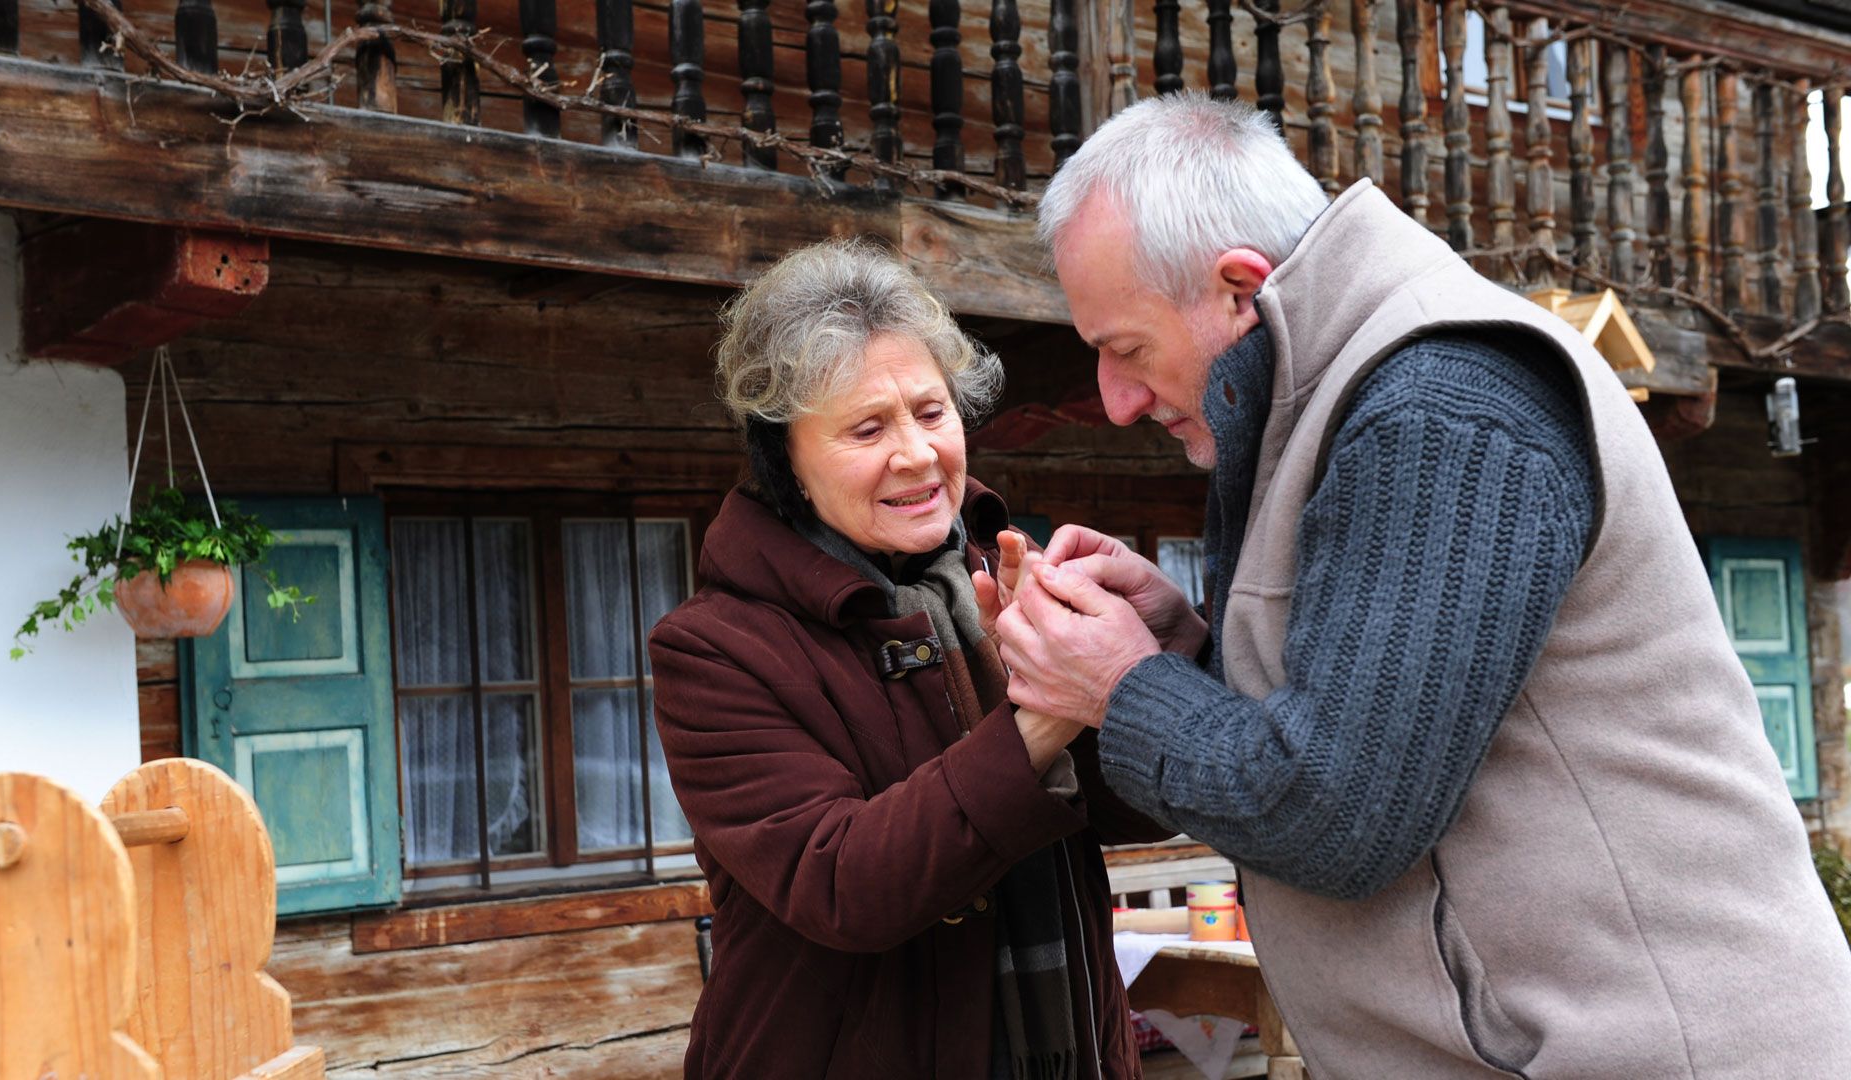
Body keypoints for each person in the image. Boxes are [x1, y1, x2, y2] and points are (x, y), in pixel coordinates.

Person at [993, 93, 1851, 1077]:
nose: (1113, 400)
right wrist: (1182, 649)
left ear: (1240, 289)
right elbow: (1363, 733)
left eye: (1126, 349)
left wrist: (1120, 686)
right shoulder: (1351, 393)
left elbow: (1336, 817)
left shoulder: (1440, 405)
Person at [648, 238, 1171, 1080]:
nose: (918, 454)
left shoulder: (998, 579)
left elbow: (1140, 815)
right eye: (866, 428)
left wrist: (1138, 672)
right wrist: (1041, 717)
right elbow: (844, 886)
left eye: (932, 412)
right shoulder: (714, 650)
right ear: (787, 457)